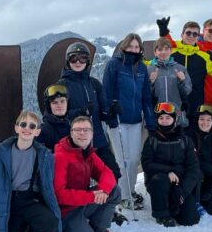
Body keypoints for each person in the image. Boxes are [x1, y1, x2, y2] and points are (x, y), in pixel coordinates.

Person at [0, 110, 61, 232]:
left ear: (37, 131)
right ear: (17, 128)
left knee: (50, 222)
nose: (27, 128)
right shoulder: (1, 152)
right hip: (7, 203)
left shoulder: (44, 155)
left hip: (29, 200)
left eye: (32, 126)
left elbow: (47, 184)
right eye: (23, 124)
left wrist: (50, 206)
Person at [54, 116, 122, 232]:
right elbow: (59, 194)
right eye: (77, 130)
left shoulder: (87, 152)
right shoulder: (61, 156)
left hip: (83, 204)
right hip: (68, 213)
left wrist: (103, 190)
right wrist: (91, 196)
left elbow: (106, 172)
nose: (82, 133)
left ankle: (99, 228)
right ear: (71, 133)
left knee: (114, 190)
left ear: (92, 133)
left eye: (86, 130)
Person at [102, 33, 156, 210]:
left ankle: (130, 191)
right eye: (130, 46)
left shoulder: (141, 68)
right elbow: (106, 92)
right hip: (118, 121)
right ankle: (122, 195)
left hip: (135, 121)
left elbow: (146, 97)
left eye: (136, 47)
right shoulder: (114, 65)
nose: (133, 50)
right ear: (124, 46)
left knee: (133, 159)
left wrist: (150, 120)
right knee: (122, 160)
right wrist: (110, 112)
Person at [57, 41, 121, 183]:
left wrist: (111, 112)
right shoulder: (62, 86)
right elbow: (59, 115)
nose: (78, 62)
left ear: (88, 61)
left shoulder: (94, 84)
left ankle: (102, 204)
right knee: (79, 181)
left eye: (83, 58)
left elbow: (103, 112)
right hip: (75, 142)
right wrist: (81, 112)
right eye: (74, 58)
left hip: (97, 139)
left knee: (112, 174)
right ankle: (87, 204)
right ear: (68, 61)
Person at [141, 102, 201, 227]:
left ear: (174, 119)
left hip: (180, 183)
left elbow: (193, 167)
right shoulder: (152, 140)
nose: (164, 121)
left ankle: (173, 205)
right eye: (161, 118)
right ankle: (162, 215)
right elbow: (147, 164)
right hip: (159, 183)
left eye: (168, 117)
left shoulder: (185, 140)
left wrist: (183, 191)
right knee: (160, 179)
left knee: (191, 220)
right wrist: (168, 171)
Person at [171, 21, 212, 126]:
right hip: (174, 101)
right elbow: (154, 63)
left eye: (195, 34)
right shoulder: (171, 53)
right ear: (182, 34)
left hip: (196, 102)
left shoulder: (204, 56)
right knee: (174, 135)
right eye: (188, 33)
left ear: (198, 36)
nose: (191, 36)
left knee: (193, 135)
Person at [148, 37, 192, 127]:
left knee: (178, 139)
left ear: (171, 51)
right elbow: (146, 95)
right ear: (155, 53)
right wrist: (151, 82)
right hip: (158, 115)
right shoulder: (149, 70)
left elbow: (187, 91)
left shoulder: (180, 68)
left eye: (166, 49)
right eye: (160, 50)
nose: (163, 52)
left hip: (177, 114)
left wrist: (183, 80)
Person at [191, 105, 212, 216]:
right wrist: (210, 170)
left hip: (208, 181)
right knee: (198, 173)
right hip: (192, 180)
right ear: (197, 120)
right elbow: (192, 161)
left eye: (208, 120)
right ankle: (194, 201)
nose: (205, 123)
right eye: (202, 119)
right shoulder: (189, 137)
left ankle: (202, 196)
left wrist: (210, 189)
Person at [38, 83, 71, 152]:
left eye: (62, 101)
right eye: (55, 102)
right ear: (49, 106)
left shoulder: (73, 127)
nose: (59, 105)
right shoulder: (43, 131)